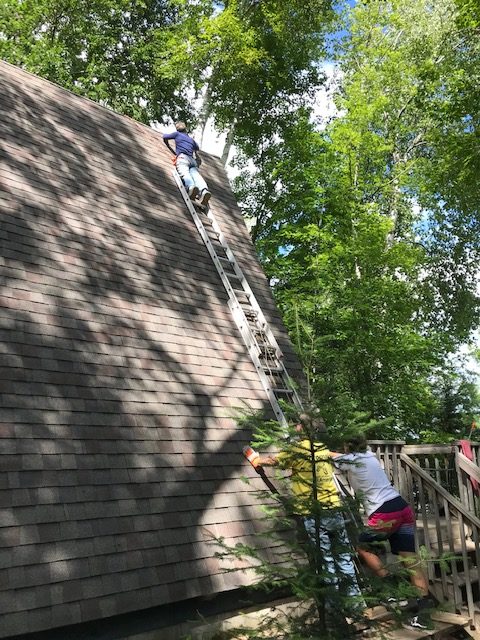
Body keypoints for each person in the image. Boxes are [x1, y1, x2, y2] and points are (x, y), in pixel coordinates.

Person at [254, 414, 362, 605]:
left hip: (314, 512)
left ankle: (333, 607)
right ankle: (355, 603)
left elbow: (274, 460)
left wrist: (256, 460)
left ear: (300, 428)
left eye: (297, 425)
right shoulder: (321, 449)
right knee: (344, 557)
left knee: (326, 559)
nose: (295, 427)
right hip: (334, 508)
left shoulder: (296, 450)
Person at [332, 434, 434, 630]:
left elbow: (324, 454)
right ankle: (423, 613)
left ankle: (391, 589)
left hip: (384, 512)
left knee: (362, 546)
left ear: (348, 447)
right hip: (401, 507)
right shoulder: (370, 456)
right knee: (411, 560)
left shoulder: (351, 460)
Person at [163, 122, 211, 207]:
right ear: (185, 129)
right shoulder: (190, 139)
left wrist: (169, 146)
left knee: (185, 173)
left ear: (177, 129)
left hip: (183, 158)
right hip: (192, 160)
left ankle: (191, 187)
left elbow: (165, 137)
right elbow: (197, 147)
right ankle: (204, 191)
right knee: (196, 176)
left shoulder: (177, 134)